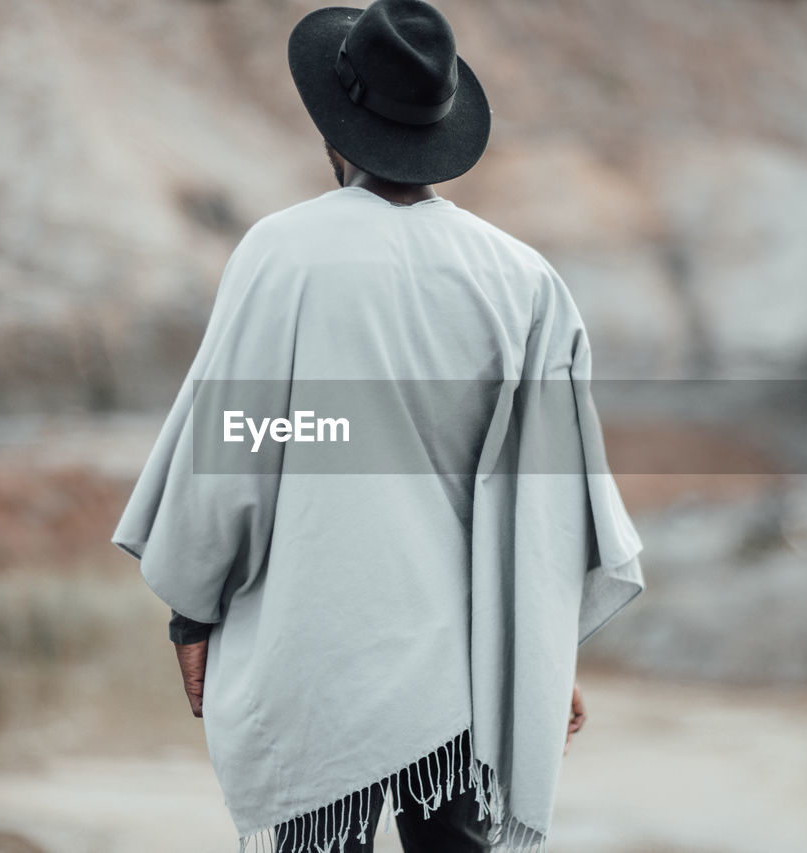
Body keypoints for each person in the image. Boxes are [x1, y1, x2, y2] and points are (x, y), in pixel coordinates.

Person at [111, 2, 646, 851]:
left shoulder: (282, 255)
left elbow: (232, 458)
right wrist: (540, 655)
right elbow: (549, 500)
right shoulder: (524, 280)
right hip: (469, 677)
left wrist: (191, 617)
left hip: (319, 658)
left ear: (337, 128)